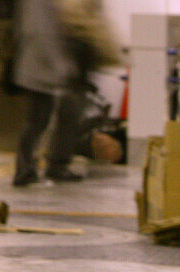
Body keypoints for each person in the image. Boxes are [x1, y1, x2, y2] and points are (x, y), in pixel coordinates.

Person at [10, 0, 119, 186]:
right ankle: (25, 170)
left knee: (44, 119)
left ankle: (39, 167)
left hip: (45, 67)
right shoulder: (36, 3)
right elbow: (40, 33)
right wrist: (61, 66)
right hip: (39, 68)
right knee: (37, 121)